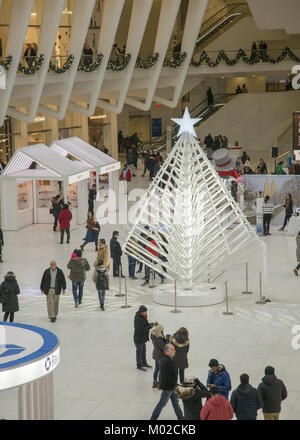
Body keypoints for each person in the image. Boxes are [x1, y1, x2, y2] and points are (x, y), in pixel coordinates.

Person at [150, 344, 184, 420]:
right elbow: (165, 376)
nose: (174, 351)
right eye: (172, 350)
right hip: (168, 387)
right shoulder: (165, 361)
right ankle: (153, 418)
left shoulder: (171, 359)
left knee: (175, 403)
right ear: (167, 351)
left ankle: (180, 417)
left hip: (172, 386)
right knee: (162, 403)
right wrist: (174, 385)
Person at [134, 305, 153, 371]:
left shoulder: (143, 317)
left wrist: (151, 324)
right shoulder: (138, 319)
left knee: (143, 351)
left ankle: (144, 363)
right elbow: (141, 329)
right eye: (145, 312)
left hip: (142, 339)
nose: (146, 313)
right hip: (139, 339)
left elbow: (145, 325)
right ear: (141, 312)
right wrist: (149, 327)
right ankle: (139, 365)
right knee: (139, 352)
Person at [150, 322, 166, 388]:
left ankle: (155, 382)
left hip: (155, 354)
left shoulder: (153, 336)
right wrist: (167, 341)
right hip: (160, 355)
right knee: (160, 370)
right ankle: (160, 383)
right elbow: (163, 347)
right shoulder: (159, 338)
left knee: (156, 369)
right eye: (162, 330)